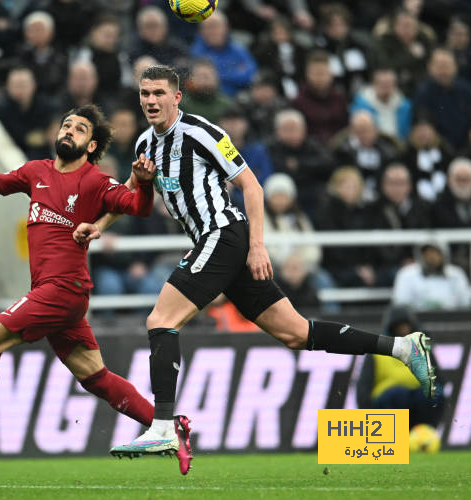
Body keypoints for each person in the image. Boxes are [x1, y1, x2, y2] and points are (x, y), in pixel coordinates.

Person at [73, 65, 438, 475]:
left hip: (224, 234)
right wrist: (99, 226)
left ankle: (162, 425)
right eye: (144, 93)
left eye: (159, 92)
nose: (150, 100)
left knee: (161, 320)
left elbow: (252, 186)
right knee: (295, 333)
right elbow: (128, 192)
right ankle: (403, 348)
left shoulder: (203, 133)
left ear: (177, 97)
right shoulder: (145, 142)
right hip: (215, 243)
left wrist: (258, 246)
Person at [0, 104, 160, 452]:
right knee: (95, 377)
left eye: (79, 129)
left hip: (64, 289)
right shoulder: (35, 171)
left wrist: (144, 186)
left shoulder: (95, 181)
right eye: (66, 125)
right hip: (52, 292)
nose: (68, 130)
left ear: (90, 146)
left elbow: (137, 206)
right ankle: (166, 425)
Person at [357, 305, 445, 430]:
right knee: (397, 395)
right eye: (399, 327)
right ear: (391, 328)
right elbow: (363, 388)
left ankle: (424, 432)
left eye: (406, 326)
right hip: (388, 401)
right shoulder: (377, 351)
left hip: (418, 400)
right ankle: (393, 434)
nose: (403, 330)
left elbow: (439, 381)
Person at [392, 241, 470, 310]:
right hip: (417, 321)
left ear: (444, 254)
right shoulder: (407, 274)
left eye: (435, 252)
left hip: (453, 321)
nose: (431, 257)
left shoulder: (456, 274)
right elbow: (401, 304)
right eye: (427, 253)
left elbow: (466, 302)